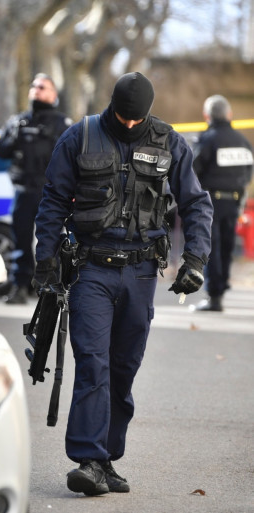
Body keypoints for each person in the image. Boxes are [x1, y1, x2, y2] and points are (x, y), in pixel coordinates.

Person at [33, 72, 213, 496]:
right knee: (93, 363)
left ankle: (107, 458)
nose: (129, 126)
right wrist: (45, 263)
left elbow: (196, 202)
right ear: (111, 105)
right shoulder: (79, 137)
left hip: (141, 272)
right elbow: (53, 201)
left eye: (137, 119)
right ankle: (88, 458)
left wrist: (195, 259)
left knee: (123, 368)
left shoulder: (169, 141)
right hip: (91, 269)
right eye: (122, 117)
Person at [0, 73, 72, 304]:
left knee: (50, 239)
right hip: (23, 190)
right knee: (20, 239)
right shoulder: (18, 121)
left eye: (43, 86)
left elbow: (72, 157)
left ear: (53, 94)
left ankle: (51, 287)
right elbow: (0, 150)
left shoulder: (62, 124)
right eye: (34, 86)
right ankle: (20, 285)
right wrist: (14, 138)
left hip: (51, 192)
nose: (36, 89)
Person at [191, 94, 253, 312]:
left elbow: (193, 170)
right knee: (226, 248)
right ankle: (221, 289)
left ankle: (214, 296)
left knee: (212, 248)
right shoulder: (243, 142)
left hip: (211, 203)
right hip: (234, 203)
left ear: (207, 115)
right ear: (230, 115)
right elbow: (248, 173)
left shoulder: (208, 139)